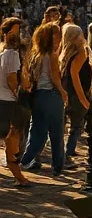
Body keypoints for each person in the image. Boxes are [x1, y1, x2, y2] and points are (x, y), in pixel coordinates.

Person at [20, 22, 67, 176]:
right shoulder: (52, 55)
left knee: (37, 131)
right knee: (56, 132)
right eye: (57, 34)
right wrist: (63, 92)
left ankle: (25, 160)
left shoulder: (34, 54)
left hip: (37, 95)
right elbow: (54, 76)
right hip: (51, 95)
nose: (60, 37)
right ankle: (58, 165)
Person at [0, 18, 30, 186]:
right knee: (12, 139)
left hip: (4, 100)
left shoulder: (5, 53)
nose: (18, 34)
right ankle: (20, 177)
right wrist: (19, 91)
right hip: (9, 102)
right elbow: (12, 79)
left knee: (11, 139)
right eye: (15, 31)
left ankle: (19, 176)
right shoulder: (12, 54)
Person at [60, 23, 92, 163]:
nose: (82, 36)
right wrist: (83, 98)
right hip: (77, 93)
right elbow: (75, 75)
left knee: (66, 124)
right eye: (79, 34)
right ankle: (69, 151)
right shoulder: (81, 52)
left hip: (66, 92)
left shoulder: (64, 53)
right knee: (77, 125)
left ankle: (67, 151)